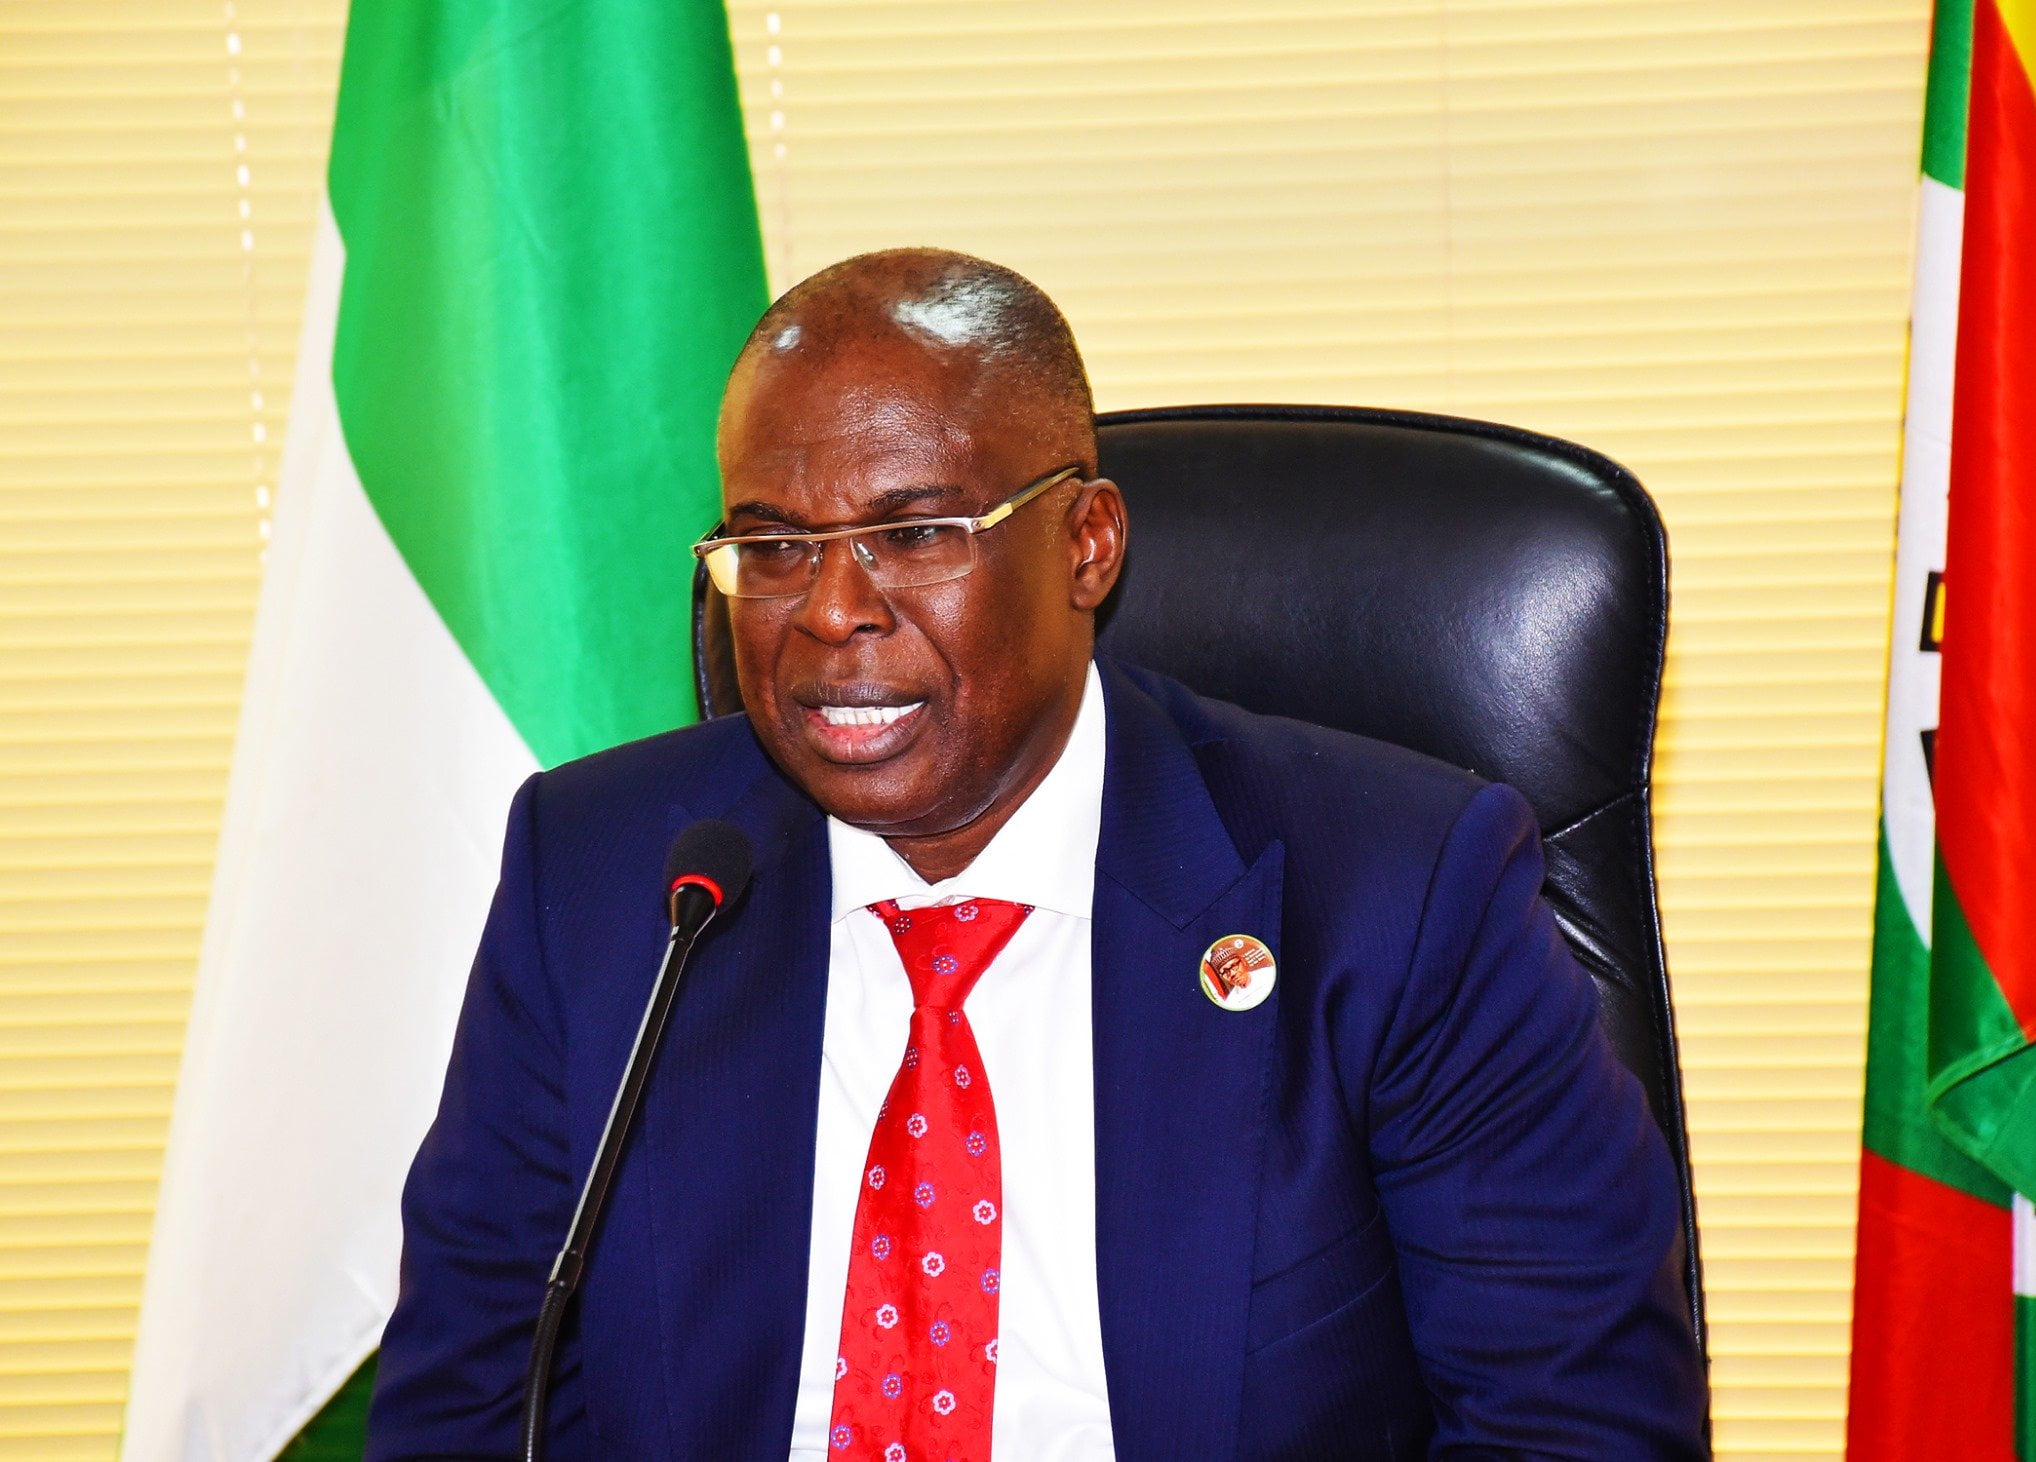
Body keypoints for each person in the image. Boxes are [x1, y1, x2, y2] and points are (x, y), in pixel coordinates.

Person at [366, 249, 1708, 1459]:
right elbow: (472, 1410)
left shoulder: (1398, 894)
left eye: (913, 533)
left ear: (1087, 544)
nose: (830, 610)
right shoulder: (609, 886)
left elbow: (1578, 1425)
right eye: (772, 547)